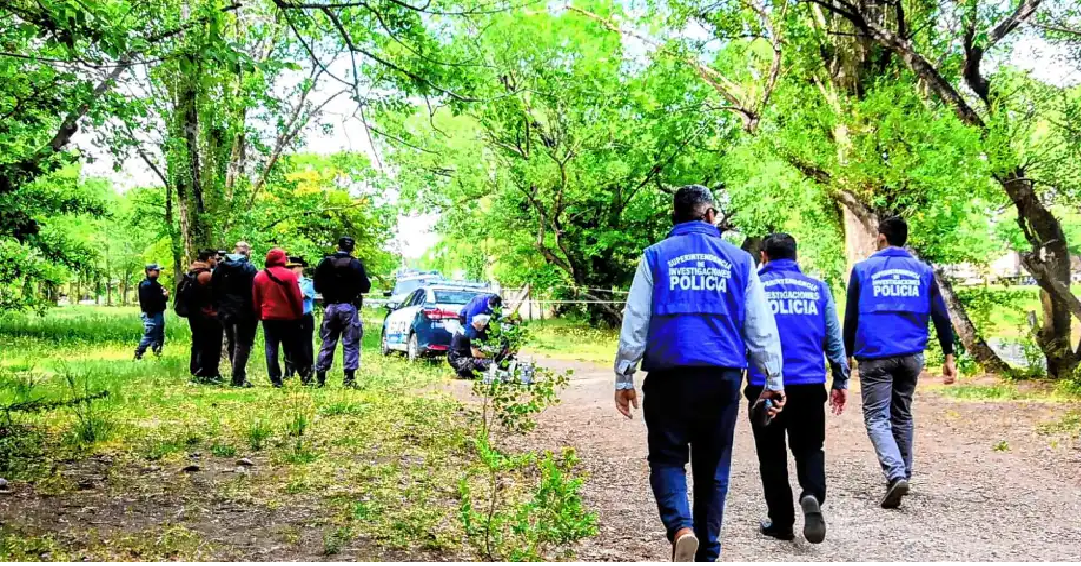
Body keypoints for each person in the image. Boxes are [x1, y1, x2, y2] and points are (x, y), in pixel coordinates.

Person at [613, 185, 785, 562]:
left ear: (677, 217)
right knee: (713, 465)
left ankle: (681, 528)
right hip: (721, 376)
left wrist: (624, 377)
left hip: (668, 375)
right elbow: (759, 325)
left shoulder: (656, 257)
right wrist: (772, 380)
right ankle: (708, 550)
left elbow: (636, 320)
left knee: (667, 458)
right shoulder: (740, 261)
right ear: (709, 215)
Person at [844, 215, 956, 509]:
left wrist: (844, 354)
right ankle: (903, 473)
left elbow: (851, 316)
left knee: (877, 418)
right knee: (902, 414)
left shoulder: (863, 270)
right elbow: (941, 315)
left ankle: (895, 474)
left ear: (882, 237)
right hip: (911, 356)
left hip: (875, 354)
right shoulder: (923, 271)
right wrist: (948, 354)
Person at [745, 233, 849, 544]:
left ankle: (780, 521)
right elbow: (833, 337)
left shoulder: (754, 287)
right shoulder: (818, 288)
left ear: (764, 256)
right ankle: (812, 493)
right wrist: (840, 379)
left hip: (765, 385)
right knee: (810, 448)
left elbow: (742, 334)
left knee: (771, 453)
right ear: (795, 256)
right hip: (809, 383)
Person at [313, 237, 371, 388]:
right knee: (351, 342)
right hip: (349, 307)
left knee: (327, 342)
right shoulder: (356, 264)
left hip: (330, 307)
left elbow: (317, 286)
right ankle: (348, 378)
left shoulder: (325, 263)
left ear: (337, 247)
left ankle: (320, 378)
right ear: (352, 248)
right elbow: (365, 287)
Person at [252, 249, 305, 388]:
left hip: (268, 317)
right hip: (288, 317)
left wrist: (259, 315)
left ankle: (275, 378)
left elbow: (256, 299)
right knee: (292, 346)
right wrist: (299, 314)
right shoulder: (289, 275)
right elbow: (296, 297)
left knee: (271, 346)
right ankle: (296, 373)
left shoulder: (259, 276)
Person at [212, 241, 259, 387]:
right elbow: (254, 291)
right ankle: (238, 377)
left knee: (232, 342)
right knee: (243, 344)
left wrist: (218, 307)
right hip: (246, 312)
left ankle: (238, 375)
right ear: (248, 253)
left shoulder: (220, 268)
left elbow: (214, 289)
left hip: (225, 312)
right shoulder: (250, 269)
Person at [185, 250, 223, 384]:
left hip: (195, 314)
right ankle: (208, 373)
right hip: (208, 315)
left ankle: (197, 371)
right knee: (211, 344)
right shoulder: (206, 275)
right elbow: (221, 289)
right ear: (209, 259)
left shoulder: (192, 272)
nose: (218, 261)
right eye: (216, 259)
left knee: (198, 343)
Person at [285, 256, 316, 382]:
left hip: (304, 317)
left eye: (293, 267)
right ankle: (289, 372)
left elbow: (301, 295)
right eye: (288, 268)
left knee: (305, 346)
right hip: (289, 317)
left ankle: (307, 373)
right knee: (288, 346)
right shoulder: (285, 283)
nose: (290, 270)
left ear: (300, 268)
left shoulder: (307, 283)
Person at [135, 264, 169, 360]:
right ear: (148, 271)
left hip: (158, 313)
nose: (158, 272)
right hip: (151, 314)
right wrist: (164, 296)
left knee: (159, 335)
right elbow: (152, 300)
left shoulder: (155, 285)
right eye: (156, 270)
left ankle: (157, 353)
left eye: (158, 270)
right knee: (150, 335)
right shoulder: (146, 285)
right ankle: (139, 353)